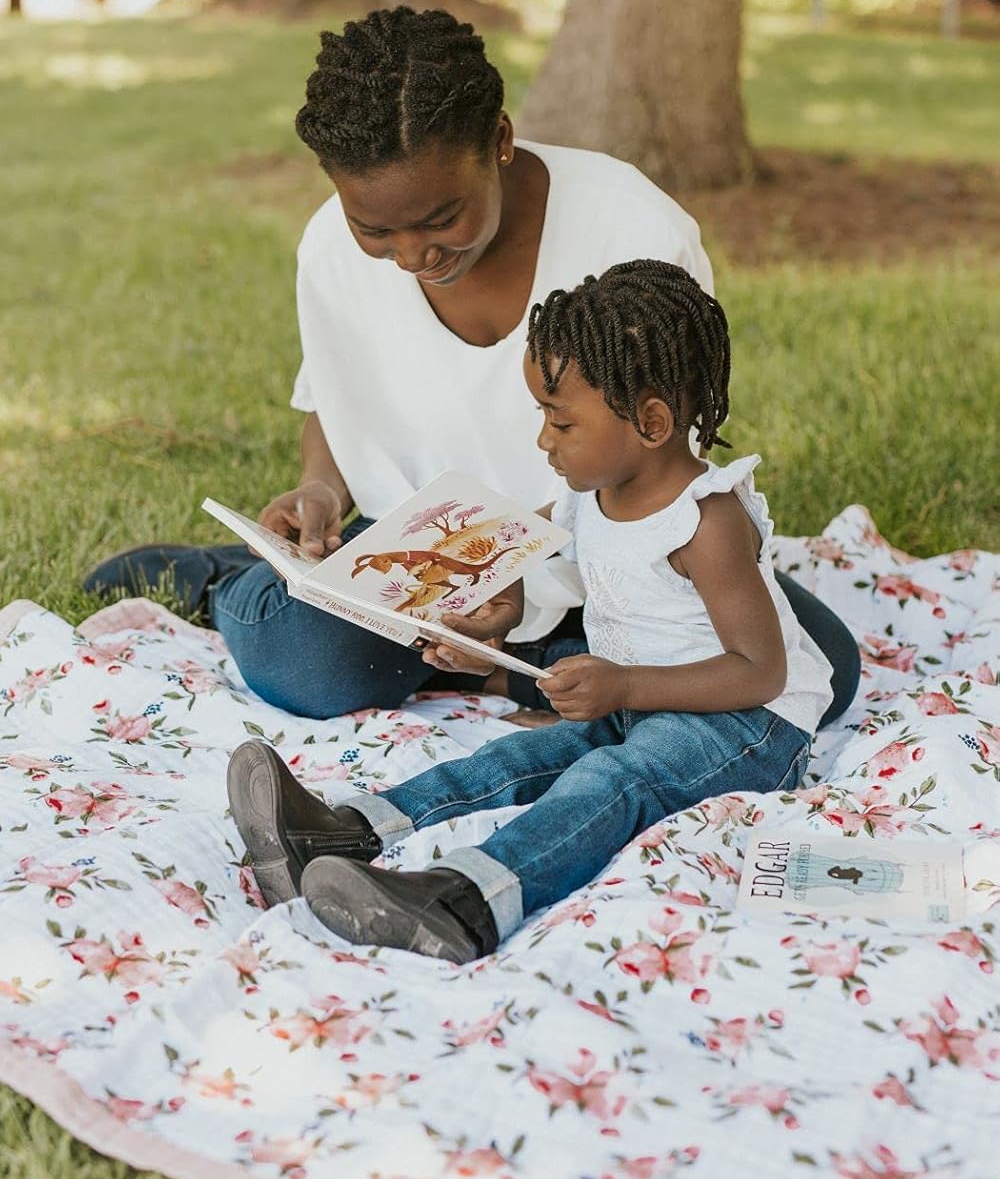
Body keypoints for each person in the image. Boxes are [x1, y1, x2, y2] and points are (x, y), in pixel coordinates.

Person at [84, 6, 859, 724]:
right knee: (308, 663)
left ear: (500, 140)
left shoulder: (632, 228)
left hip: (609, 552)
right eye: (375, 229)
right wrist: (322, 488)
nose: (413, 256)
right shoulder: (327, 251)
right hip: (426, 570)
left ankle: (505, 666)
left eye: (441, 218)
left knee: (820, 672)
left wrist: (530, 578)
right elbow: (336, 396)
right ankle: (228, 580)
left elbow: (661, 451)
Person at [227, 261, 833, 963]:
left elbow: (760, 671)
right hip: (641, 704)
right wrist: (497, 616)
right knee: (515, 757)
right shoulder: (591, 491)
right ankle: (340, 832)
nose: (544, 440)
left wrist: (624, 686)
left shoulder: (706, 522)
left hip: (750, 727)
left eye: (560, 420)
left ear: (652, 421)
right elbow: (512, 547)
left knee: (612, 783)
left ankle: (465, 900)